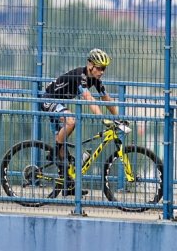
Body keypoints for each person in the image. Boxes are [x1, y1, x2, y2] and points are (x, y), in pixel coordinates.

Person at [41, 48, 121, 186]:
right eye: (99, 68)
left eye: (104, 69)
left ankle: (68, 185)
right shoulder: (81, 76)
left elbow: (107, 99)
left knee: (64, 152)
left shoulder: (95, 80)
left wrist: (119, 117)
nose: (102, 72)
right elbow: (88, 98)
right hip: (49, 99)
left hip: (61, 103)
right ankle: (54, 153)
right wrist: (103, 118)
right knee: (71, 121)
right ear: (90, 65)